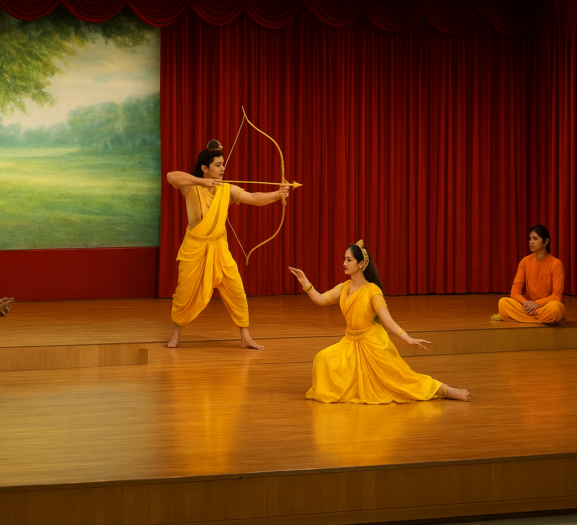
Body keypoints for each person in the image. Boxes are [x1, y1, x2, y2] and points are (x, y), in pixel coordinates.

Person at [289, 241, 471, 403]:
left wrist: (407, 338)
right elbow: (321, 299)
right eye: (344, 259)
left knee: (402, 379)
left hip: (373, 343)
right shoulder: (344, 287)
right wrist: (305, 282)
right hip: (350, 343)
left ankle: (447, 390)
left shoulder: (372, 290)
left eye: (349, 259)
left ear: (361, 264)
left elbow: (388, 320)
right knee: (323, 359)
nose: (344, 263)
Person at [166, 139, 290, 350]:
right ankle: (175, 335)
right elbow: (171, 176)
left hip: (219, 247)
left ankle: (245, 337)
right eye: (218, 165)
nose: (223, 168)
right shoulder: (190, 187)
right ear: (205, 168)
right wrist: (201, 183)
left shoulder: (227, 189)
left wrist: (278, 194)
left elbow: (253, 198)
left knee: (236, 290)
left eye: (223, 164)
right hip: (195, 248)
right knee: (185, 293)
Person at [496, 224, 565, 325]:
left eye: (535, 239)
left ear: (546, 242)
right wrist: (526, 303)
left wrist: (537, 304)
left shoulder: (556, 264)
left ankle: (524, 319)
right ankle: (539, 319)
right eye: (530, 239)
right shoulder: (525, 261)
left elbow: (557, 296)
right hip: (528, 307)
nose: (531, 242)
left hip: (545, 306)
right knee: (503, 302)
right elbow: (514, 292)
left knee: (556, 309)